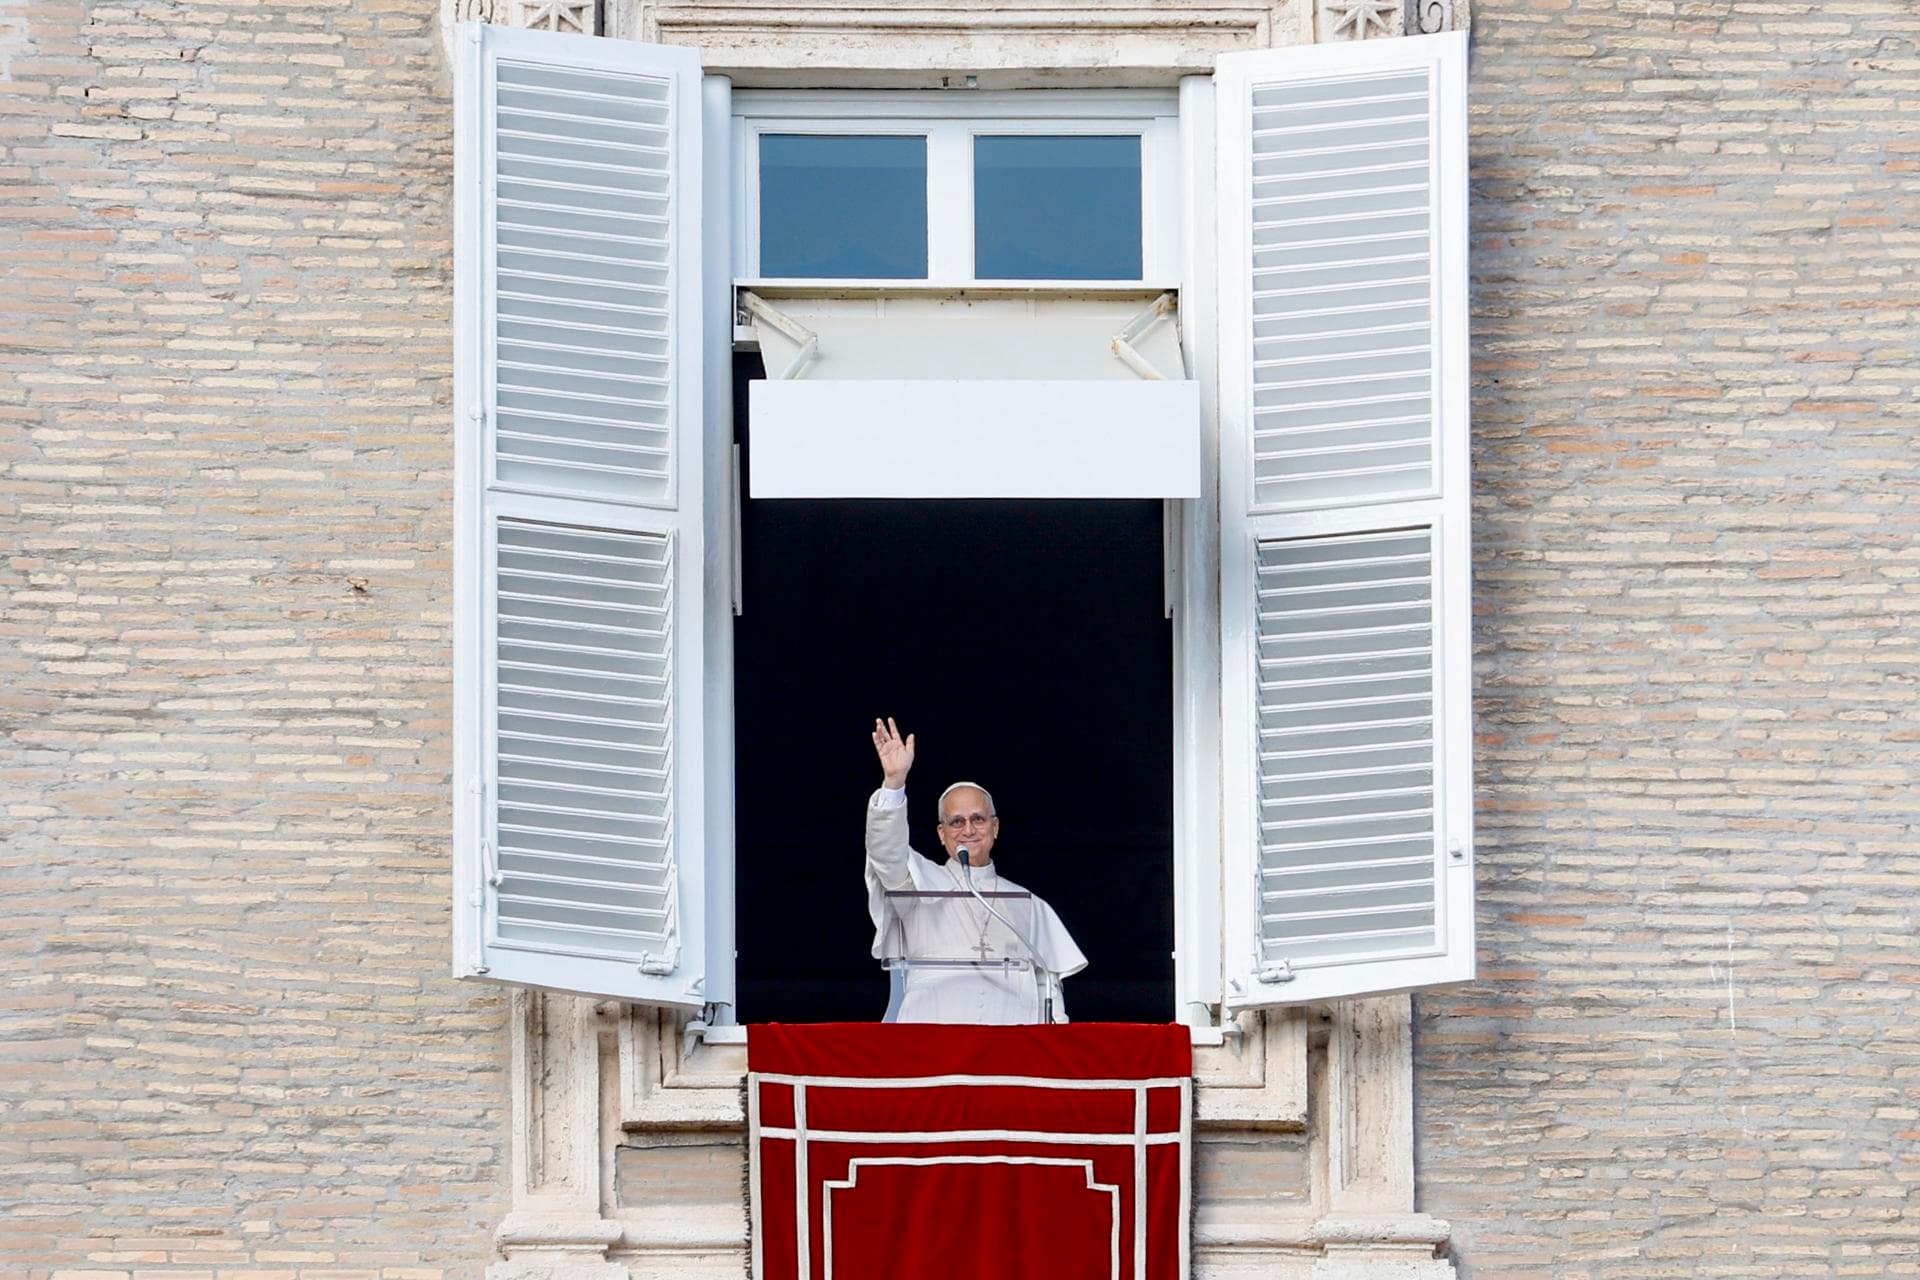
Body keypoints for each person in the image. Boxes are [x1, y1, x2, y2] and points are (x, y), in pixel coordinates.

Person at [864, 717, 1086, 1024]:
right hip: (933, 1042)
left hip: (1008, 1047)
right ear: (941, 833)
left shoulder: (1028, 903)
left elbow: (1048, 987)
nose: (968, 829)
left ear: (995, 827)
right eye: (956, 821)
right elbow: (885, 854)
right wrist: (894, 784)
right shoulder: (918, 883)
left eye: (978, 819)